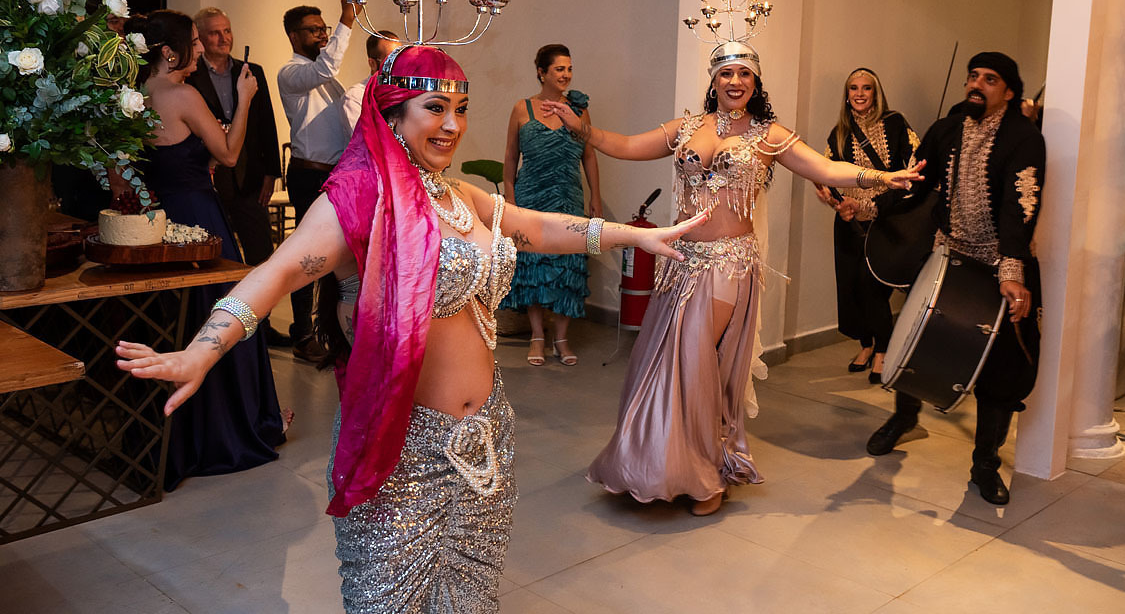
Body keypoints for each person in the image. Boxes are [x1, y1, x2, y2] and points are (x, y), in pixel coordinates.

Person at [115, 45, 709, 612]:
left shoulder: (460, 196)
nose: (453, 125)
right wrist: (202, 350)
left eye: (461, 109)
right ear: (392, 113)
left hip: (487, 439)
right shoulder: (360, 199)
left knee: (470, 598)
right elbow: (275, 275)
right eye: (435, 108)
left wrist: (633, 236)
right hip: (401, 453)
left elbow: (537, 228)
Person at [542, 40, 924, 516]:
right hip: (680, 259)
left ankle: (706, 477)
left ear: (756, 82)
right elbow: (625, 146)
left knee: (699, 362)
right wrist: (582, 129)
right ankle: (661, 463)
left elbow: (826, 168)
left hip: (729, 263)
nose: (735, 81)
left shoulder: (769, 136)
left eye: (744, 73)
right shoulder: (687, 127)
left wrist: (883, 178)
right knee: (660, 362)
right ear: (714, 80)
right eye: (726, 73)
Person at [864, 51, 1045, 506]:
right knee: (916, 337)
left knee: (1003, 366)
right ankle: (905, 418)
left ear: (1009, 91)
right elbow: (914, 184)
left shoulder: (1024, 138)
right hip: (947, 255)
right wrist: (869, 207)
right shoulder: (946, 129)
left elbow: (1020, 208)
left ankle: (985, 463)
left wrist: (1011, 271)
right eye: (972, 76)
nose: (976, 85)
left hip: (1002, 265)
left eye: (989, 79)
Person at [126, 10, 287, 491]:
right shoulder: (183, 95)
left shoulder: (134, 96)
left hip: (156, 220)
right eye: (193, 42)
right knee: (226, 314)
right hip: (198, 218)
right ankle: (232, 426)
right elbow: (230, 154)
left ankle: (180, 431)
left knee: (176, 319)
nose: (200, 48)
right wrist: (244, 98)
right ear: (169, 51)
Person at [813, 68, 919, 383]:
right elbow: (827, 173)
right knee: (851, 287)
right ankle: (866, 344)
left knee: (871, 286)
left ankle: (883, 350)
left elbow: (912, 169)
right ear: (847, 95)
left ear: (876, 92)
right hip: (849, 220)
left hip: (886, 219)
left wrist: (875, 203)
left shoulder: (896, 124)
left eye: (866, 88)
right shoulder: (838, 133)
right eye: (853, 88)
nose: (859, 94)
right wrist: (835, 202)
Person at [500, 44, 602, 366]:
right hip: (531, 198)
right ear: (542, 72)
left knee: (568, 264)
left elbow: (589, 155)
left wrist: (595, 197)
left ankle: (561, 338)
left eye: (569, 69)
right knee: (533, 265)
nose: (566, 75)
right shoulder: (522, 109)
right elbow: (510, 156)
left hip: (568, 196)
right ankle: (537, 336)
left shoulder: (578, 110)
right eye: (560, 69)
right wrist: (510, 198)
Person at [278, 0, 357, 363]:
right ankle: (302, 333)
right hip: (309, 175)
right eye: (314, 30)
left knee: (335, 256)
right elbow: (325, 66)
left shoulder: (328, 81)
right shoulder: (291, 73)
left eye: (324, 29)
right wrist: (347, 19)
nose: (322, 35)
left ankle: (330, 328)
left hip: (334, 175)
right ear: (294, 36)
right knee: (308, 255)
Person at [188, 9, 283, 311]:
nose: (223, 38)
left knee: (261, 253)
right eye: (214, 32)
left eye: (227, 30)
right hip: (209, 176)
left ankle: (262, 322)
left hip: (249, 177)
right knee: (218, 255)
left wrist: (271, 172)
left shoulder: (250, 71)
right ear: (200, 38)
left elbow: (266, 123)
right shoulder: (191, 75)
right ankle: (219, 317)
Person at [341, 30, 402, 138]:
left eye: (400, 58)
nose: (399, 65)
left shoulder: (404, 91)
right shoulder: (355, 97)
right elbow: (366, 139)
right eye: (391, 61)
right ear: (372, 64)